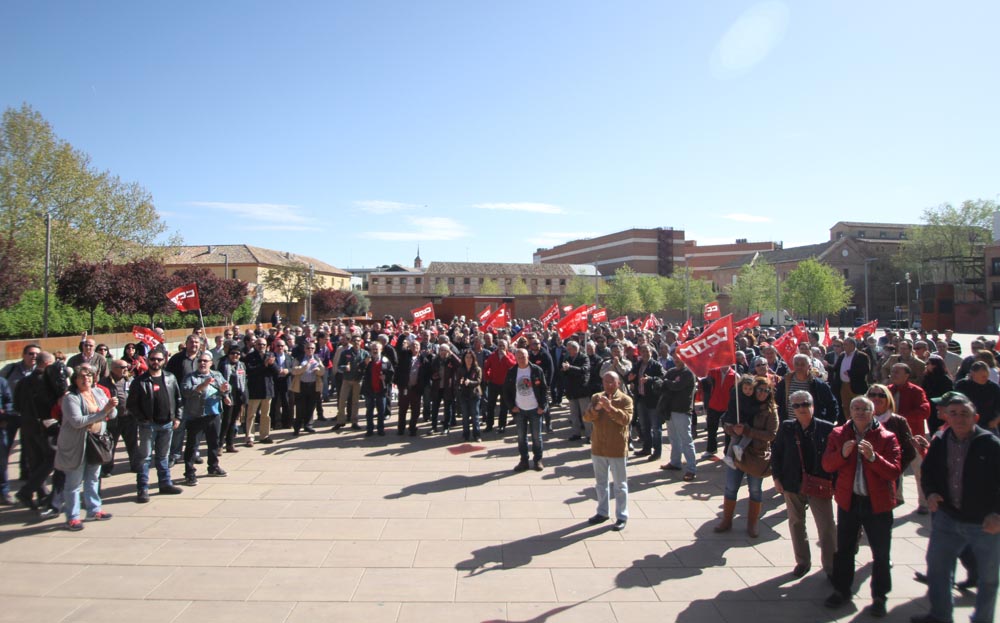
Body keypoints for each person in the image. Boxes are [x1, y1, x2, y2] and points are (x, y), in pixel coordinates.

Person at [912, 392, 1000, 623]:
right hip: (947, 519)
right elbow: (928, 472)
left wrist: (997, 514)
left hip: (984, 522)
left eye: (964, 414)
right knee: (938, 571)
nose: (959, 418)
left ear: (976, 417)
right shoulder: (940, 441)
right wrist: (930, 493)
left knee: (988, 579)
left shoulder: (991, 445)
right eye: (953, 414)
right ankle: (940, 615)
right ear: (946, 417)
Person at [822, 396, 902, 618]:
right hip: (849, 500)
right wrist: (843, 454)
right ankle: (841, 590)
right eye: (855, 408)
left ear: (872, 412)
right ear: (849, 411)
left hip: (878, 503)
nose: (859, 412)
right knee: (845, 549)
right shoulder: (839, 434)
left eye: (864, 409)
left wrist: (874, 458)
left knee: (880, 552)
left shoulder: (887, 437)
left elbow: (894, 471)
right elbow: (827, 464)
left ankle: (879, 596)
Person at [771, 390, 836, 578]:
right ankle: (802, 561)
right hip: (792, 482)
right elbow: (777, 453)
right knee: (796, 523)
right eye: (797, 406)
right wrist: (776, 477)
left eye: (805, 404)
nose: (802, 409)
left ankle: (831, 565)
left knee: (826, 526)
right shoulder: (787, 427)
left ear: (813, 405)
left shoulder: (827, 428)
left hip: (819, 483)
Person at [714, 376, 778, 537]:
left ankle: (752, 523)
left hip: (756, 455)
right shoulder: (742, 402)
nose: (763, 393)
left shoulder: (770, 410)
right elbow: (726, 420)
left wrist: (748, 432)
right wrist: (732, 430)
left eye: (766, 390)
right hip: (736, 453)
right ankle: (726, 520)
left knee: (755, 490)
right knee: (730, 487)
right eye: (760, 390)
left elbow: (771, 434)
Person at [55, 365, 117, 530]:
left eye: (89, 376)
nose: (86, 379)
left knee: (93, 478)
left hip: (96, 442)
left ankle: (94, 509)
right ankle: (73, 517)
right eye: (82, 376)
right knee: (74, 483)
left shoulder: (98, 392)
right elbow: (77, 421)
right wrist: (103, 412)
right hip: (77, 444)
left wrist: (111, 408)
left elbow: (112, 414)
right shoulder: (71, 398)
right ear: (75, 380)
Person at [126, 351, 184, 503]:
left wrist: (177, 417)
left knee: (163, 456)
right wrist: (142, 419)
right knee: (145, 458)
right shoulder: (140, 381)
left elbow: (178, 399)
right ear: (148, 360)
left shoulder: (170, 377)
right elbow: (131, 404)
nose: (156, 362)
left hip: (167, 423)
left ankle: (165, 484)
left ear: (164, 360)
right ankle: (142, 488)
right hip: (148, 425)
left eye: (159, 359)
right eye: (153, 359)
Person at [583, 371, 632, 531]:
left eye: (612, 382)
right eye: (605, 382)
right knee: (601, 483)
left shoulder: (625, 400)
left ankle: (622, 515)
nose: (608, 385)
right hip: (598, 446)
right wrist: (597, 408)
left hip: (616, 447)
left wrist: (610, 408)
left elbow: (625, 420)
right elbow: (587, 418)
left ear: (618, 383)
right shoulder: (596, 397)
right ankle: (602, 512)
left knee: (620, 484)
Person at [180, 354, 231, 486]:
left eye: (205, 361)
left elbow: (224, 387)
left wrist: (225, 392)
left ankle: (213, 466)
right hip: (196, 415)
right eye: (200, 361)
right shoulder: (191, 377)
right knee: (192, 445)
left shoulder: (217, 374)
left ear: (211, 363)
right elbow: (185, 392)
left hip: (214, 414)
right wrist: (201, 386)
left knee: (214, 442)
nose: (202, 363)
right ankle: (189, 472)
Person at [887, 364, 931, 512]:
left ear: (907, 374)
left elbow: (925, 410)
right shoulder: (888, 390)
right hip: (893, 437)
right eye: (892, 371)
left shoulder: (916, 391)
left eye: (897, 372)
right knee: (895, 469)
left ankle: (924, 502)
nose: (893, 374)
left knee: (919, 470)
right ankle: (897, 496)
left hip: (913, 436)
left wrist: (904, 418)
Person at [503, 348, 549, 472]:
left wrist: (542, 406)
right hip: (520, 410)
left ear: (528, 356)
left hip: (535, 409)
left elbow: (544, 389)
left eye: (523, 356)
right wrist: (512, 406)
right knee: (521, 437)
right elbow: (506, 391)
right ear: (515, 359)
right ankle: (524, 460)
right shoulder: (512, 372)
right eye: (518, 357)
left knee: (536, 437)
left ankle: (537, 460)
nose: (521, 359)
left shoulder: (536, 370)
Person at [656, 357, 698, 481]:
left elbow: (677, 386)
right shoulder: (672, 371)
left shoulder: (688, 373)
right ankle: (675, 462)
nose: (677, 360)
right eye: (676, 358)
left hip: (682, 410)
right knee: (673, 438)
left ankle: (691, 469)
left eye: (680, 358)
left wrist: (667, 383)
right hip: (670, 409)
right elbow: (663, 384)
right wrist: (668, 382)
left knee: (686, 440)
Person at [98, 359, 136, 476]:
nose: (126, 369)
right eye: (123, 367)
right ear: (114, 369)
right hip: (114, 418)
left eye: (127, 367)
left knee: (132, 443)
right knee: (111, 444)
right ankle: (107, 468)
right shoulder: (105, 382)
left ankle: (135, 465)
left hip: (129, 417)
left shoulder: (130, 379)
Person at [775, 354, 839, 422]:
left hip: (813, 427)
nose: (799, 367)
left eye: (802, 364)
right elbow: (777, 402)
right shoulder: (785, 382)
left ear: (809, 366)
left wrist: (826, 424)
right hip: (789, 426)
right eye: (797, 364)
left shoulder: (818, 384)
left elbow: (832, 405)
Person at [628, 344, 664, 460]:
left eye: (647, 351)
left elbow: (662, 378)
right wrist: (630, 378)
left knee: (656, 428)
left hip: (653, 400)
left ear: (651, 352)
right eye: (643, 351)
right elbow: (629, 376)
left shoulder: (656, 365)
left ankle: (657, 451)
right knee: (644, 426)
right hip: (641, 399)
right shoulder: (638, 365)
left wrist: (650, 379)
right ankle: (646, 448)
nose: (645, 353)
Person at [244, 338, 279, 445]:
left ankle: (264, 435)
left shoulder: (271, 355)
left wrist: (272, 364)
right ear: (255, 345)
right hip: (254, 390)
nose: (261, 346)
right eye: (259, 344)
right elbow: (250, 371)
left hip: (267, 389)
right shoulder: (250, 357)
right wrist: (264, 365)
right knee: (251, 415)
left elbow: (276, 372)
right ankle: (250, 437)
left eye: (263, 344)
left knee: (266, 415)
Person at [830, 337, 871, 424]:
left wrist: (851, 373)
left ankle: (858, 423)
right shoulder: (842, 355)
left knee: (858, 406)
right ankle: (848, 423)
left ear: (852, 345)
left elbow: (865, 370)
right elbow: (836, 368)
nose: (843, 346)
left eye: (845, 344)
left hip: (855, 386)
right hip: (843, 386)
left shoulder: (861, 356)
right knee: (845, 406)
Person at [955, 361, 1000, 435]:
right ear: (973, 374)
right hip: (967, 424)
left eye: (987, 375)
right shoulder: (962, 385)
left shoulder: (993, 387)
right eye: (983, 376)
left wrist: (996, 420)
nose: (986, 378)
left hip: (989, 425)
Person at [361, 341, 394, 437]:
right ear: (370, 350)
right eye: (373, 349)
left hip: (381, 390)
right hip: (369, 390)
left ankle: (380, 429)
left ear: (381, 350)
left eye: (377, 349)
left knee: (381, 411)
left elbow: (391, 373)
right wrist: (364, 363)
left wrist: (386, 378)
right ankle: (369, 429)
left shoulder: (385, 360)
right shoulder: (367, 360)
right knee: (369, 411)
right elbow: (360, 370)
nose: (375, 351)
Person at [336, 335, 369, 431]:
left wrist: (364, 365)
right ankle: (340, 421)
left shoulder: (365, 353)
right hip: (346, 379)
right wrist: (344, 367)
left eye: (358, 341)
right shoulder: (345, 353)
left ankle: (354, 421)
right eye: (354, 341)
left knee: (355, 402)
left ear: (361, 342)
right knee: (342, 401)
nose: (356, 342)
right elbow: (339, 366)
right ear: (351, 342)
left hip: (358, 380)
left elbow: (367, 367)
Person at [483, 339, 516, 434]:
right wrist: (488, 377)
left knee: (504, 407)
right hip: (493, 384)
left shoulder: (510, 355)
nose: (501, 347)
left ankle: (502, 425)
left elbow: (513, 366)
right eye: (500, 345)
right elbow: (486, 367)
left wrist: (505, 357)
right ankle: (489, 425)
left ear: (507, 347)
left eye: (503, 346)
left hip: (505, 385)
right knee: (490, 405)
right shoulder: (493, 355)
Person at [561, 340, 591, 442]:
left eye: (569, 349)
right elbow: (563, 373)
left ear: (575, 349)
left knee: (585, 414)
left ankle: (589, 435)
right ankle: (576, 433)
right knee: (574, 414)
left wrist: (570, 368)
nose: (568, 351)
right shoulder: (568, 358)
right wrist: (564, 370)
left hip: (582, 390)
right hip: (571, 390)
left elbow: (584, 370)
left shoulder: (584, 357)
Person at [217, 346, 246, 453]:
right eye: (233, 353)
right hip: (227, 396)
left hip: (238, 396)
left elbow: (243, 382)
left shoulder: (241, 365)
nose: (235, 356)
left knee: (233, 421)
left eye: (238, 354)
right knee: (226, 421)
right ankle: (220, 445)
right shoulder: (223, 365)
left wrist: (244, 397)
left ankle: (230, 444)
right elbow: (219, 381)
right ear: (228, 354)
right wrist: (224, 396)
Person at [921, 355, 954, 434]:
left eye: (928, 363)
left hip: (941, 408)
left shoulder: (945, 379)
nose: (926, 365)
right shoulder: (927, 377)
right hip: (930, 408)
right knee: (932, 430)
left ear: (935, 365)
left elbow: (949, 395)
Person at [456, 350, 483, 442]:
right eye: (467, 357)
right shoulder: (461, 369)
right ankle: (465, 434)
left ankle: (477, 435)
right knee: (465, 416)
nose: (468, 359)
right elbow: (457, 381)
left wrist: (470, 382)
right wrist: (460, 383)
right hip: (464, 394)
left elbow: (479, 381)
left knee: (475, 416)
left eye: (470, 357)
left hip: (474, 394)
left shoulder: (477, 369)